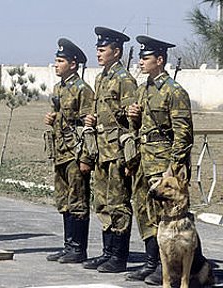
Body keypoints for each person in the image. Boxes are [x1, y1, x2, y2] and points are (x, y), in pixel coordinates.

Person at [125, 35, 210, 285]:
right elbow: (140, 127)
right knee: (145, 211)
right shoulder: (143, 89)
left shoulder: (174, 91)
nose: (141, 61)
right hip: (144, 160)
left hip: (164, 164)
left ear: (160, 60)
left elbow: (183, 133)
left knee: (169, 215)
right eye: (140, 57)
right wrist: (133, 116)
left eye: (146, 57)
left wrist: (173, 169)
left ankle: (177, 270)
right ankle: (153, 262)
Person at [82, 27, 137, 273]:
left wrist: (130, 159)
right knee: (103, 203)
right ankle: (107, 252)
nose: (98, 53)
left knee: (118, 203)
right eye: (97, 49)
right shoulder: (101, 78)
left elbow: (133, 120)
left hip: (116, 152)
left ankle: (119, 255)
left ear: (117, 51)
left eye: (103, 49)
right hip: (101, 151)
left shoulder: (125, 80)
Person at [44, 38, 95, 264]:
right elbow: (59, 115)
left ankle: (78, 249)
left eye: (60, 61)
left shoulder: (83, 89)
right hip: (61, 152)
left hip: (75, 153)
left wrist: (86, 158)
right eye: (56, 60)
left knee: (78, 200)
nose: (56, 64)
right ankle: (68, 246)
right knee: (64, 200)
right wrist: (51, 118)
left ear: (73, 64)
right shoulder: (59, 88)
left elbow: (88, 126)